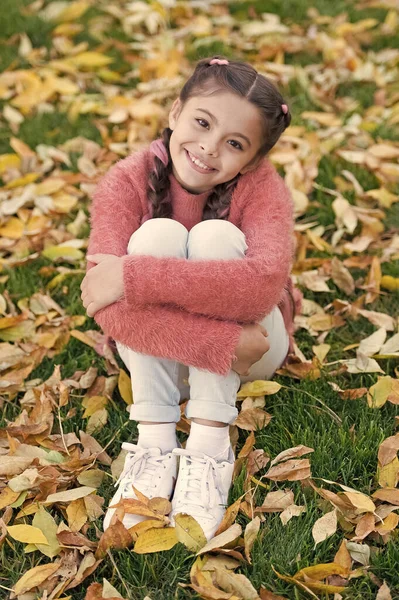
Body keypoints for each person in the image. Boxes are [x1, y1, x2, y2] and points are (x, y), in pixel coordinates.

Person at [80, 56, 301, 541]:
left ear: (254, 158)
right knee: (158, 231)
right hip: (218, 349)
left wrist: (135, 278)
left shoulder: (265, 190)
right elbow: (102, 302)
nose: (208, 148)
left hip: (255, 350)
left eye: (235, 143)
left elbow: (260, 289)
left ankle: (207, 447)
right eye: (202, 123)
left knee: (215, 238)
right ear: (176, 111)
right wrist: (220, 345)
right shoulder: (126, 180)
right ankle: (155, 444)